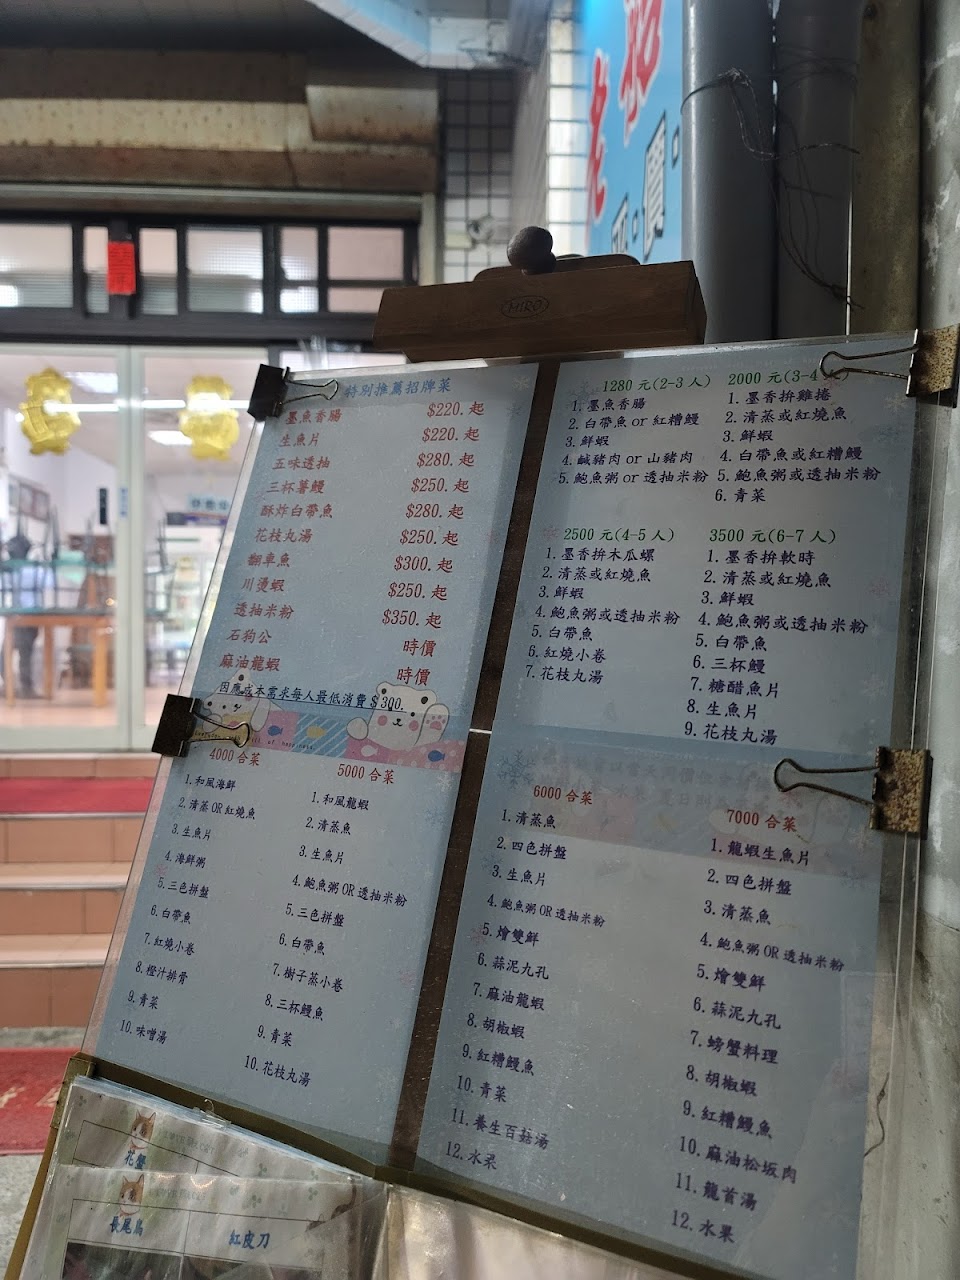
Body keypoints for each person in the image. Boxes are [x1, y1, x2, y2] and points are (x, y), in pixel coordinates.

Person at [1, 530, 43, 698]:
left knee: (23, 653)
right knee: (11, 653)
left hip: (27, 616)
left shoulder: (28, 571)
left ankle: (24, 687)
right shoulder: (19, 570)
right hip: (18, 616)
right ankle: (14, 686)